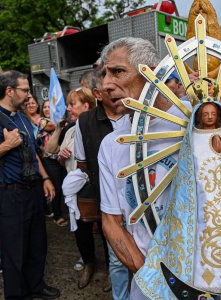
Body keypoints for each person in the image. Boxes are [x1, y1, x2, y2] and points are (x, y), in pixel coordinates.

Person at [135, 101, 221, 298]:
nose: (209, 117)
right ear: (198, 116)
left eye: (213, 113)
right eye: (205, 113)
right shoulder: (192, 139)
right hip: (204, 205)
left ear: (219, 115)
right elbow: (186, 178)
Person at [98, 37, 191, 299]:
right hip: (148, 284)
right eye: (104, 74)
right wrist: (155, 279)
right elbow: (111, 222)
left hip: (207, 275)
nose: (106, 84)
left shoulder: (196, 117)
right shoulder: (112, 144)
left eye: (117, 72)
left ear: (151, 73)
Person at [0, 70, 59, 300]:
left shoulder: (23, 117)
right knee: (14, 252)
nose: (28, 95)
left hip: (33, 191)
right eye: (25, 90)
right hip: (8, 195)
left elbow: (32, 153)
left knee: (37, 244)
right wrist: (5, 146)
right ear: (9, 91)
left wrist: (45, 178)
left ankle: (36, 285)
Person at [72, 68, 130, 296]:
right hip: (107, 199)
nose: (117, 90)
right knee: (116, 257)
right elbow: (82, 162)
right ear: (97, 93)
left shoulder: (135, 114)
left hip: (140, 198)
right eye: (110, 88)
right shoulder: (85, 121)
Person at [44, 88, 96, 226]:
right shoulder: (70, 130)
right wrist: (61, 157)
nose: (68, 108)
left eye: (72, 104)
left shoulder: (99, 129)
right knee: (81, 233)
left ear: (86, 106)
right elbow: (51, 153)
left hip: (97, 191)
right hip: (76, 192)